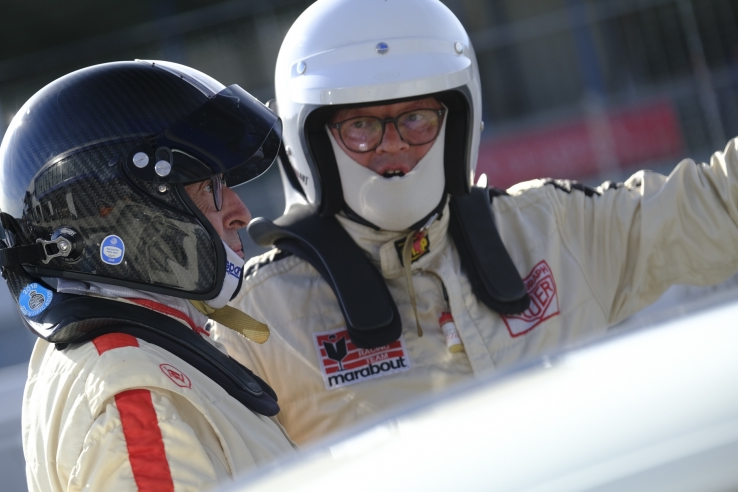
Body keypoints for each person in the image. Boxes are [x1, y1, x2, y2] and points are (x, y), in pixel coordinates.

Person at [210, 0, 738, 447]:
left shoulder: (552, 231)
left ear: (457, 123)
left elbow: (718, 204)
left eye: (417, 119)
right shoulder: (257, 322)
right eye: (362, 126)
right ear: (313, 140)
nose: (394, 144)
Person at [0, 60, 295, 491]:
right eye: (211, 187)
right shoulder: (135, 395)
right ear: (131, 213)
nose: (241, 213)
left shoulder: (135, 356)